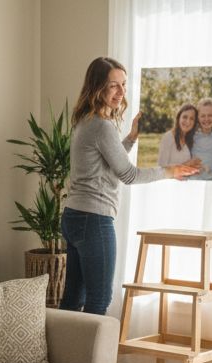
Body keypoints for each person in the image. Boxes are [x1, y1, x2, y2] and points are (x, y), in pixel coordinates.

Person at [61, 57, 202, 315]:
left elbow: (109, 162)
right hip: (93, 219)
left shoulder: (86, 120)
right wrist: (171, 171)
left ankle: (66, 344)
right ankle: (92, 345)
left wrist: (132, 137)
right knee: (99, 298)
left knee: (72, 299)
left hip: (74, 216)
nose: (121, 92)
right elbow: (128, 174)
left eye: (123, 84)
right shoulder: (102, 126)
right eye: (113, 85)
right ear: (98, 87)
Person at [188, 97, 212, 181]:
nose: (206, 119)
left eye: (210, 115)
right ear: (198, 117)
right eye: (203, 116)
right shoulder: (191, 134)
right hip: (194, 180)